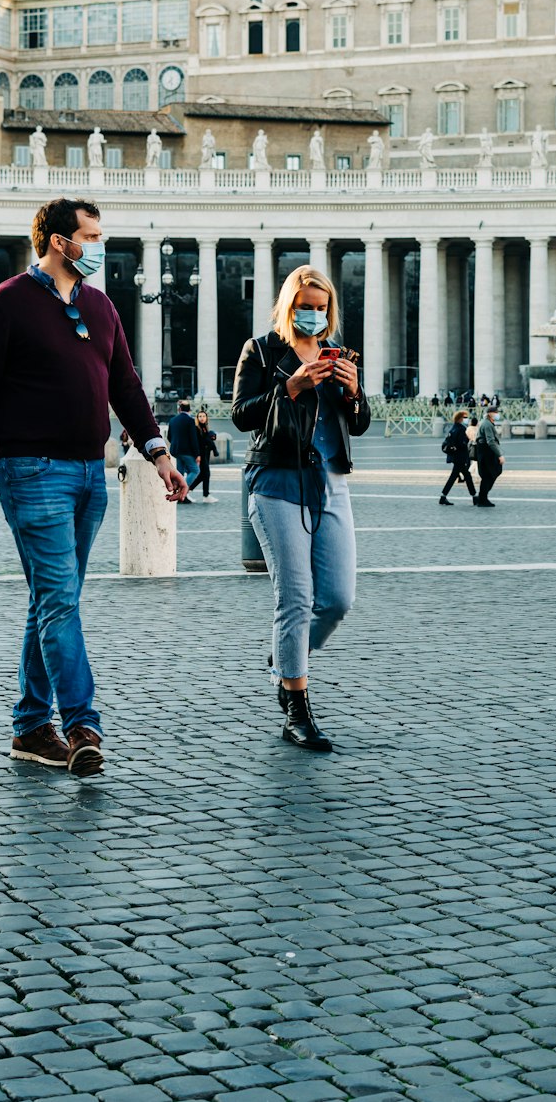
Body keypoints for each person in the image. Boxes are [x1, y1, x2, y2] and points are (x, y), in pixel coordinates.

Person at [0, 197, 187, 777]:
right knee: (58, 599)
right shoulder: (5, 304)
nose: (100, 246)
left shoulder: (101, 306)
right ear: (60, 241)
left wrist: (159, 452)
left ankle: (30, 726)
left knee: (53, 602)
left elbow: (125, 386)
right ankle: (83, 724)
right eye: (92, 236)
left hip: (88, 475)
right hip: (30, 471)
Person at [232, 264, 370, 752]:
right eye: (304, 307)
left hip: (331, 480)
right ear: (288, 305)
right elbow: (241, 414)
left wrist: (354, 391)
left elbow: (359, 424)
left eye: (320, 308)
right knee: (294, 597)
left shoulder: (341, 355)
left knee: (336, 599)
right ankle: (297, 708)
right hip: (276, 479)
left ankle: (285, 660)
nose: (312, 315)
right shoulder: (263, 351)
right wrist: (289, 387)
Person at [440, 409, 476, 505]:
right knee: (465, 477)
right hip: (460, 457)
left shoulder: (453, 428)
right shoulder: (461, 429)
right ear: (460, 418)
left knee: (463, 477)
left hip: (455, 456)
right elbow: (462, 444)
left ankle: (443, 497)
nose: (466, 419)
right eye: (465, 417)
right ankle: (475, 497)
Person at [167, 399, 200, 502]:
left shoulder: (172, 420)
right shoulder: (190, 420)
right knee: (195, 470)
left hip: (175, 450)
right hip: (187, 451)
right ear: (189, 410)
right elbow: (193, 439)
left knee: (180, 473)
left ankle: (178, 495)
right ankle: (183, 489)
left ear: (179, 409)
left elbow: (169, 437)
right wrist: (197, 454)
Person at [474, 406, 504, 506]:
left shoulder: (487, 423)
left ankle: (482, 497)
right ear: (490, 413)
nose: (497, 414)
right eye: (496, 412)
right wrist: (499, 455)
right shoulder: (487, 424)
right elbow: (490, 441)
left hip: (485, 451)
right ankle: (483, 498)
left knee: (490, 474)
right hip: (486, 451)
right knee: (490, 474)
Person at [189, 410, 219, 502]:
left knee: (203, 475)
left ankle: (203, 494)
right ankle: (205, 495)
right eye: (200, 416)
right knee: (206, 473)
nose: (202, 418)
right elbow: (199, 442)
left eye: (203, 416)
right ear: (197, 418)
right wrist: (197, 455)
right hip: (201, 455)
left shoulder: (205, 427)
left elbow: (207, 439)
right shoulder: (196, 428)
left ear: (206, 418)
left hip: (206, 454)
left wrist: (211, 435)